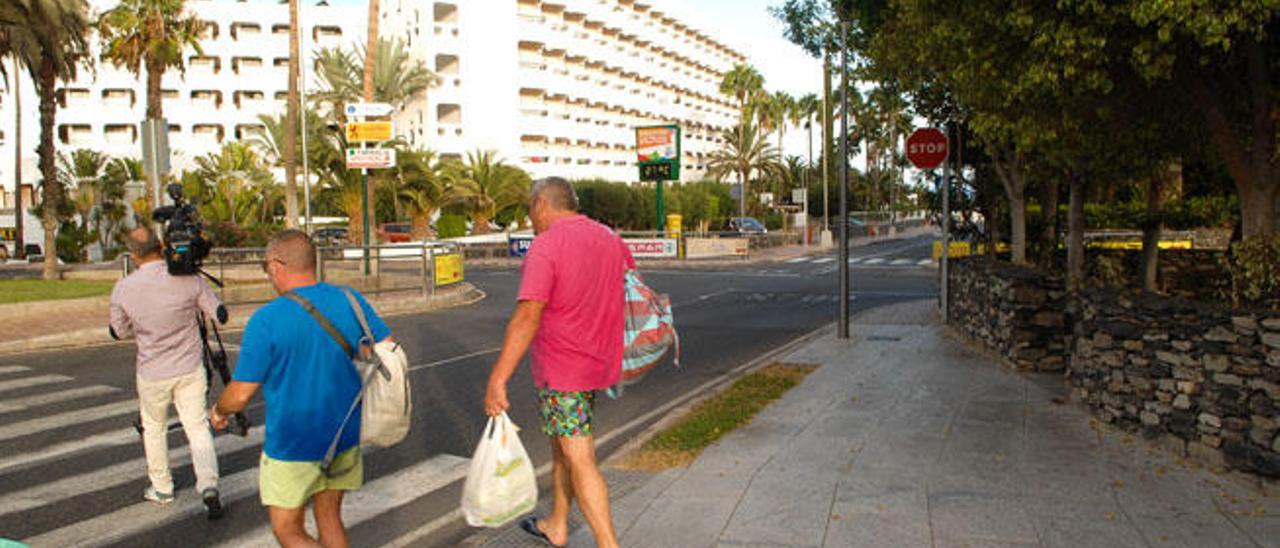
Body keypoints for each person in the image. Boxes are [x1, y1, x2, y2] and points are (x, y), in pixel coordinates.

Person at [212, 229, 391, 548]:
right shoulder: (349, 299)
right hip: (344, 433)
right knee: (329, 517)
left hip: (293, 443)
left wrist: (218, 411)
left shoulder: (266, 319)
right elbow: (386, 349)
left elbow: (239, 395)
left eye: (267, 268)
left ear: (276, 266)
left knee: (287, 528)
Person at [484, 176, 632, 548]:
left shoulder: (547, 245)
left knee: (579, 455)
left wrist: (498, 378)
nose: (531, 218)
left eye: (530, 210)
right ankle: (558, 523)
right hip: (598, 362)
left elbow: (527, 316)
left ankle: (608, 543)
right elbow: (625, 286)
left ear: (541, 205)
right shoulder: (609, 238)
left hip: (565, 369)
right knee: (563, 446)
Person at [109, 226, 224, 518]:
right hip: (189, 368)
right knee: (197, 426)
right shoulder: (188, 279)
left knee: (154, 428)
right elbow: (219, 314)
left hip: (151, 372)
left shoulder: (124, 288)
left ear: (133, 255)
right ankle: (209, 485)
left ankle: (162, 487)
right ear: (161, 245)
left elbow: (118, 331)